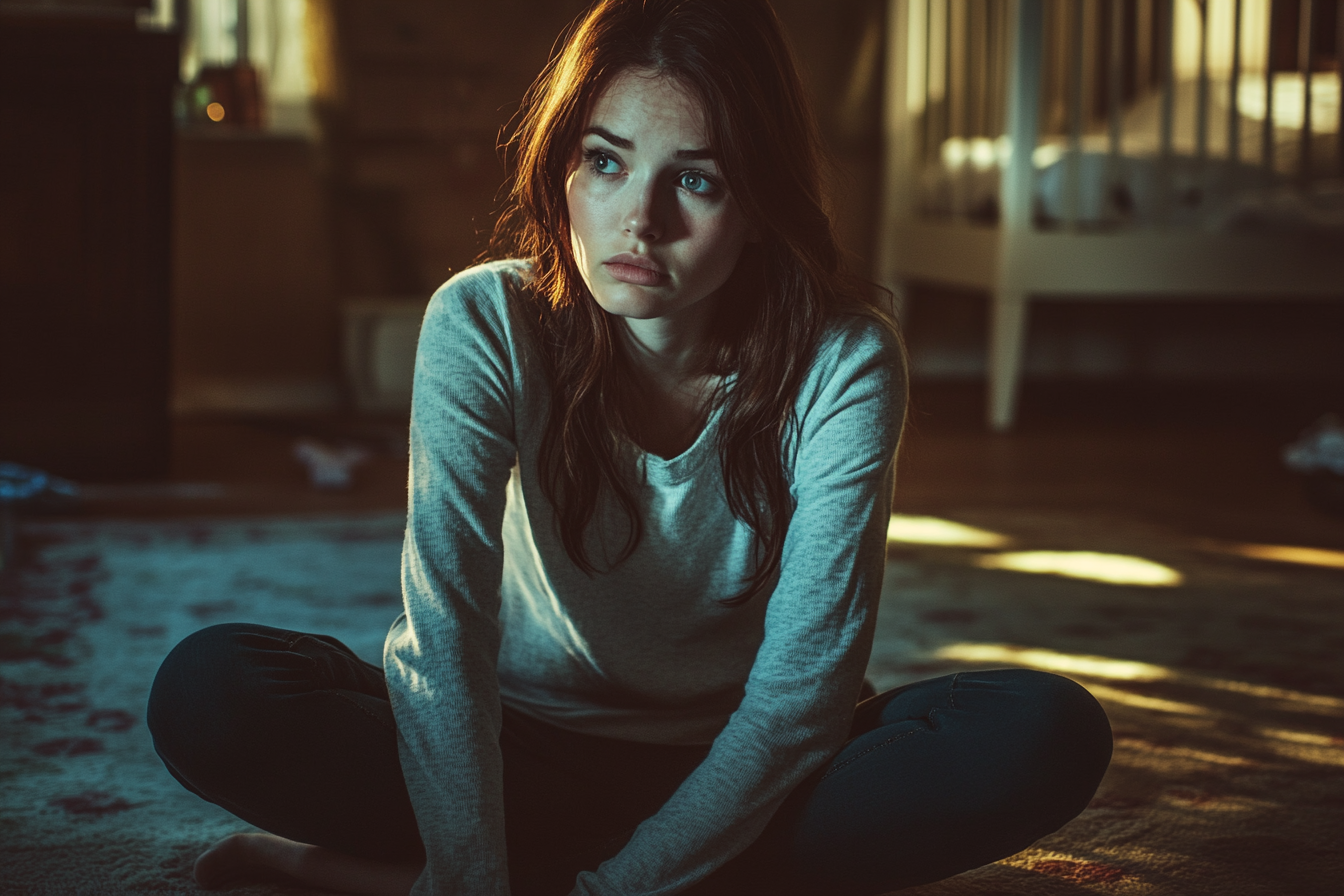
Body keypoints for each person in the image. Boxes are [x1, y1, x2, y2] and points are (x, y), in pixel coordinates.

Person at [146, 1, 1113, 894]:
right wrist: (468, 873)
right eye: (605, 162)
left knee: (1043, 734)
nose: (637, 220)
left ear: (761, 204)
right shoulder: (484, 320)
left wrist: (611, 891)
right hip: (520, 744)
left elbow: (804, 697)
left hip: (752, 759)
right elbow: (443, 634)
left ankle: (507, 869)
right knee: (212, 690)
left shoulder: (844, 359)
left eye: (695, 179)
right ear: (564, 163)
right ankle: (668, 871)